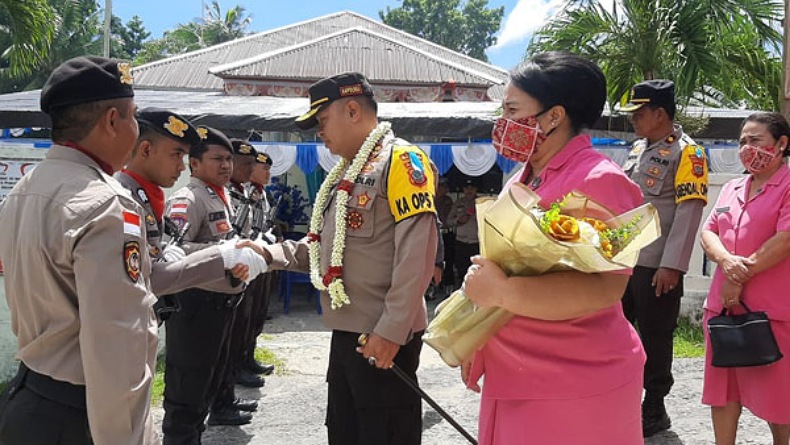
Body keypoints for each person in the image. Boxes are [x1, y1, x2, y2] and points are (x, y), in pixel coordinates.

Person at [460, 52, 646, 445]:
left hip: (576, 379)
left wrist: (503, 292)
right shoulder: (523, 176)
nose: (503, 121)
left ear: (554, 116)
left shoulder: (601, 181)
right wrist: (479, 338)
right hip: (518, 371)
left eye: (512, 109)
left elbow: (606, 287)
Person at [250, 72, 438, 445]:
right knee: (345, 430)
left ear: (353, 110)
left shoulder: (400, 161)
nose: (319, 132)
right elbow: (324, 248)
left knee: (384, 434)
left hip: (383, 338)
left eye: (322, 121)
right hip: (349, 334)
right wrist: (267, 254)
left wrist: (391, 331)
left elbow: (417, 253)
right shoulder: (345, 173)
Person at [0, 56, 161, 444]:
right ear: (111, 121)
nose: (136, 130)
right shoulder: (105, 203)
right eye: (133, 116)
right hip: (80, 416)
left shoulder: (24, 190)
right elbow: (116, 344)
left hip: (29, 398)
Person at [161, 127, 262, 444]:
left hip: (221, 304)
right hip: (195, 305)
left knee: (208, 381)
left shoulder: (220, 196)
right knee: (187, 387)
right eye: (217, 159)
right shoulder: (187, 199)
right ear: (194, 163)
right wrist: (224, 254)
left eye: (229, 159)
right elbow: (169, 250)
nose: (226, 166)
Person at [620, 79, 709, 437]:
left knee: (656, 336)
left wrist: (672, 264)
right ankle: (624, 398)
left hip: (657, 264)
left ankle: (654, 407)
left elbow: (688, 213)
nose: (634, 120)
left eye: (639, 113)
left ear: (660, 113)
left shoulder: (688, 153)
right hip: (625, 261)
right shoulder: (638, 148)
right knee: (620, 331)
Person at [700, 111, 790, 445]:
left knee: (778, 400)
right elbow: (708, 231)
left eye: (755, 141)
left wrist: (739, 275)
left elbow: (785, 239)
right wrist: (724, 260)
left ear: (781, 144)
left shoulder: (788, 187)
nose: (746, 148)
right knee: (723, 393)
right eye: (742, 142)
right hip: (723, 310)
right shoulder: (732, 187)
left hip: (772, 311)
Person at [116, 108, 253, 299]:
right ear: (146, 149)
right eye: (176, 155)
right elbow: (132, 282)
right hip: (195, 300)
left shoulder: (146, 200)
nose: (182, 166)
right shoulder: (123, 201)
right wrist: (222, 254)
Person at [241, 150, 278, 378]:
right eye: (263, 168)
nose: (267, 173)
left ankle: (248, 357)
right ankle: (239, 365)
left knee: (258, 311)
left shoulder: (264, 195)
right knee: (244, 316)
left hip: (263, 259)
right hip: (247, 260)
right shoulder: (243, 193)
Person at [448, 179, 480, 286]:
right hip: (461, 242)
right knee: (461, 269)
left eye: (472, 188)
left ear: (476, 189)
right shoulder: (458, 203)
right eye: (467, 188)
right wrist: (458, 221)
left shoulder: (481, 203)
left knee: (476, 271)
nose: (469, 190)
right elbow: (448, 221)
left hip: (476, 242)